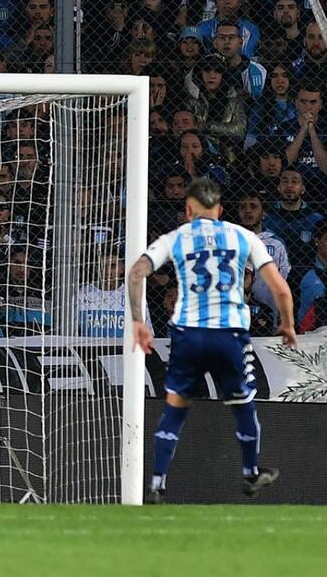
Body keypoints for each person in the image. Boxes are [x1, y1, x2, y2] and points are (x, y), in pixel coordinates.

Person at [127, 178, 297, 504]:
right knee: (243, 405)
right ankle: (250, 473)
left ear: (189, 210)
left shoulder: (176, 237)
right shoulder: (243, 236)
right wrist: (287, 325)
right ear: (219, 210)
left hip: (188, 335)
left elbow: (135, 274)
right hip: (229, 334)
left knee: (175, 407)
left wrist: (139, 323)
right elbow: (280, 289)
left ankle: (157, 483)